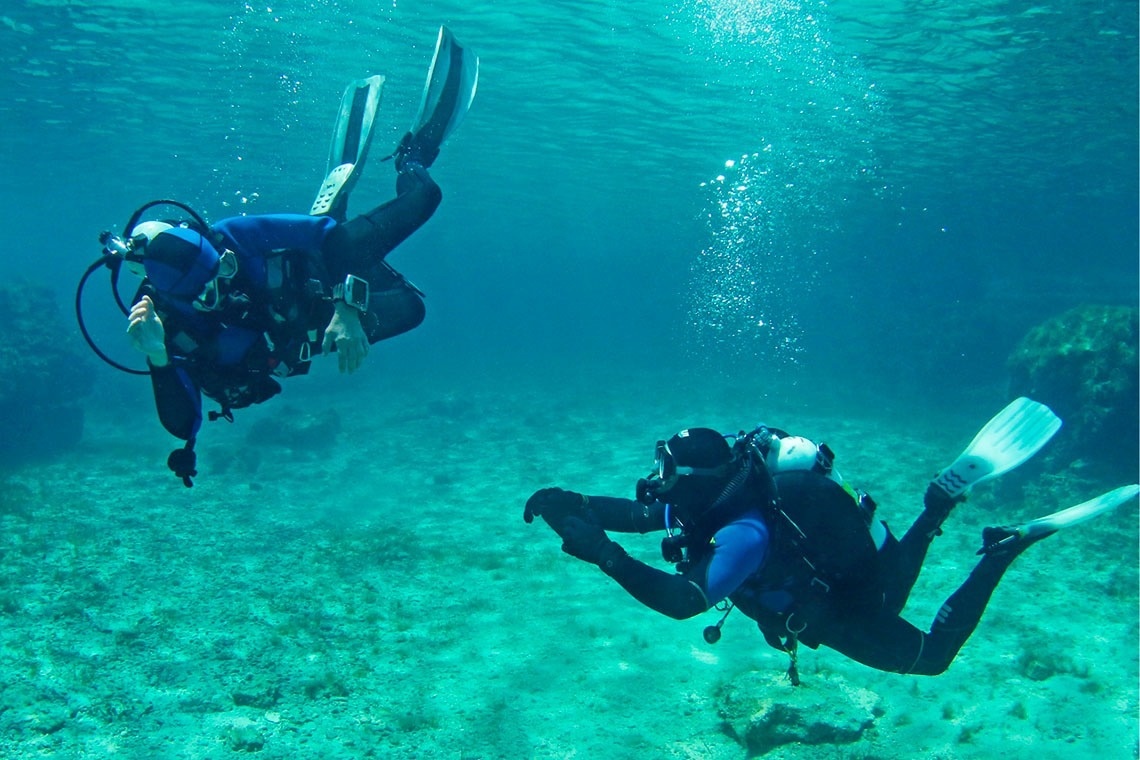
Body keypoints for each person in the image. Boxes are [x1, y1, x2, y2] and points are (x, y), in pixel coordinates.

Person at [523, 401, 1138, 679]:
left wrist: (603, 555)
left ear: (692, 482)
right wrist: (573, 503)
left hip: (840, 603)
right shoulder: (715, 498)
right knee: (894, 571)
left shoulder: (742, 530)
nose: (656, 484)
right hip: (855, 561)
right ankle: (939, 504)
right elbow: (640, 514)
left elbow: (685, 601)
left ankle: (1004, 549)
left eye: (666, 474)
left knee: (930, 658)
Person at [118, 27, 479, 486]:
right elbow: (185, 427)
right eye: (206, 283)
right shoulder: (165, 327)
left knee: (424, 197)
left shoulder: (227, 236)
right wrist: (156, 357)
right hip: (304, 329)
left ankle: (412, 156)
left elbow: (324, 236)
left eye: (219, 262)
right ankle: (339, 214)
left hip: (324, 267)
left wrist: (347, 306)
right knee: (414, 309)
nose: (220, 274)